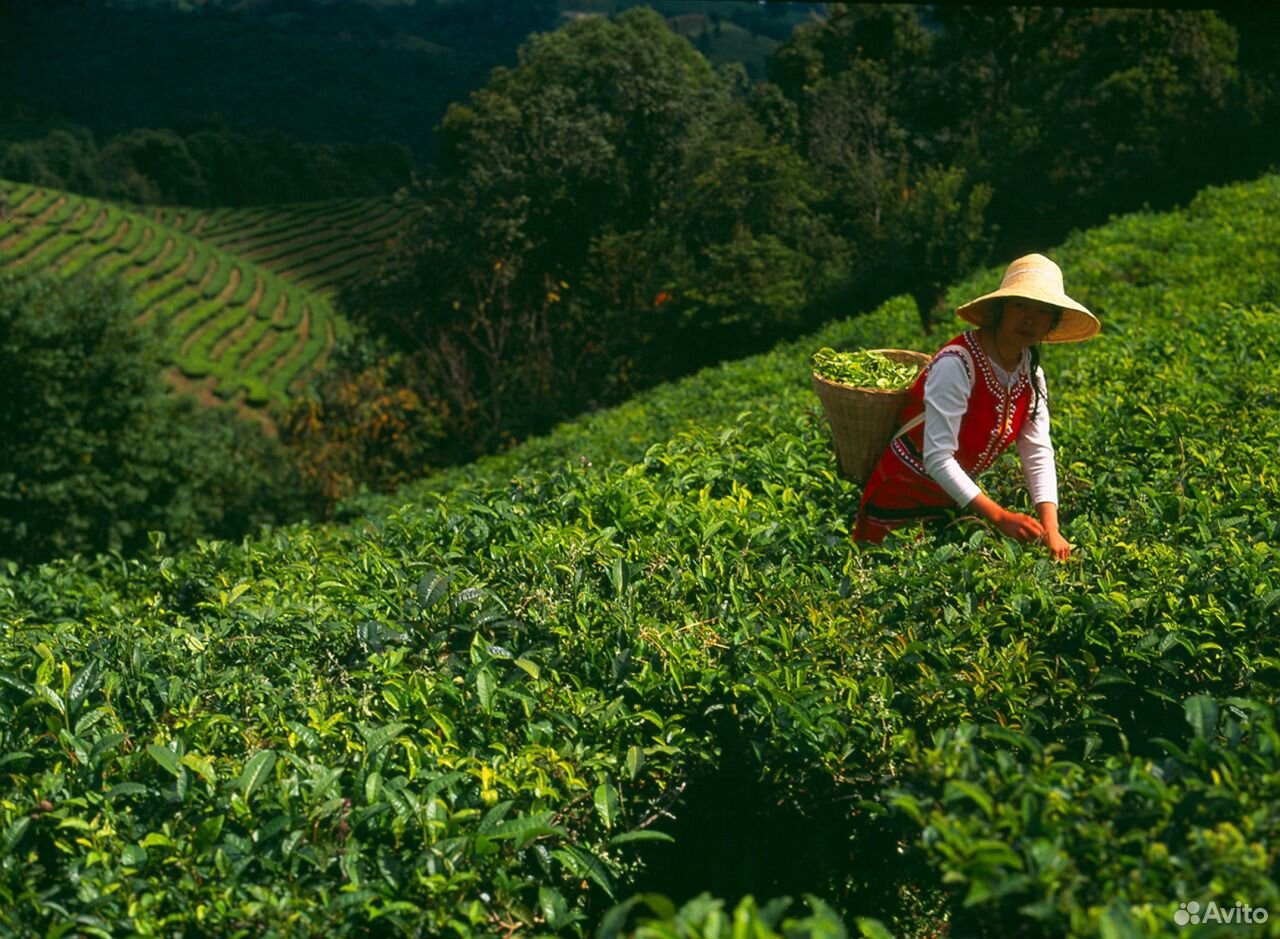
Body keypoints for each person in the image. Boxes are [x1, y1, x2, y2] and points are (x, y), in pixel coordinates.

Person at [853, 253, 1100, 559]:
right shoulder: (957, 364)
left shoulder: (1031, 373)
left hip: (952, 501)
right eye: (1020, 304)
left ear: (1052, 322)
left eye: (1042, 311)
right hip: (899, 499)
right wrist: (999, 517)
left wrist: (1051, 527)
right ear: (1001, 309)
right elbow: (938, 457)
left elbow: (1037, 449)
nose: (1029, 318)